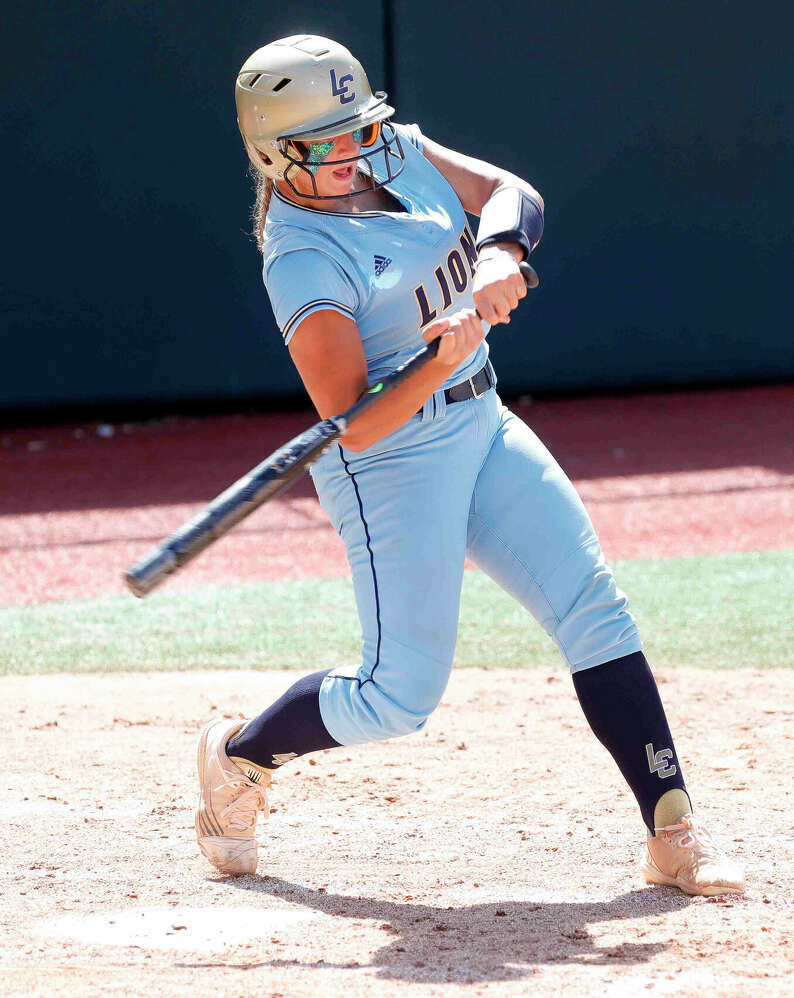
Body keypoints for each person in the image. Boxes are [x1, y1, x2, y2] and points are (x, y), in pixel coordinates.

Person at [194, 34, 744, 897]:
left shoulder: (400, 152)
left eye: (356, 129)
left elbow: (509, 195)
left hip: (483, 421)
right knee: (397, 696)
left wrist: (498, 253)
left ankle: (672, 826)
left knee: (594, 609)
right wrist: (442, 355)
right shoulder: (301, 259)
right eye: (324, 143)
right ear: (275, 154)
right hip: (394, 466)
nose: (351, 152)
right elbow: (358, 425)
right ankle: (240, 756)